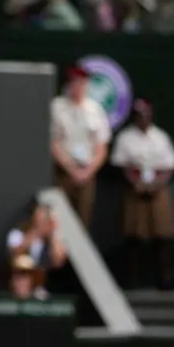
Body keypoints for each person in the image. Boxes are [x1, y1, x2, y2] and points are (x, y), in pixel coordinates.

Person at [109, 99, 174, 288]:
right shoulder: (125, 138)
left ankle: (164, 277)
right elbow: (121, 165)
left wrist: (156, 184)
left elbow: (170, 166)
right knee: (134, 235)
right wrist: (136, 183)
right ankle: (133, 279)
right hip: (135, 190)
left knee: (162, 234)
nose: (144, 118)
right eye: (140, 115)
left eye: (147, 114)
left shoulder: (161, 137)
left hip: (158, 190)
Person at [49, 64, 110, 226]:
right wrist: (70, 169)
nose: (79, 86)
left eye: (82, 82)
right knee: (59, 219)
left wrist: (87, 171)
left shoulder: (95, 110)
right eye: (75, 82)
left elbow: (101, 148)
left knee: (83, 219)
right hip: (63, 172)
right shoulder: (57, 107)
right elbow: (53, 143)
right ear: (68, 84)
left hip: (87, 173)